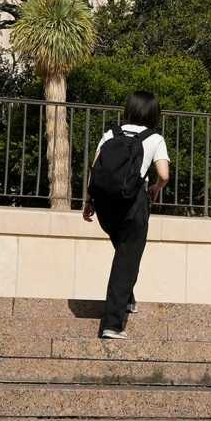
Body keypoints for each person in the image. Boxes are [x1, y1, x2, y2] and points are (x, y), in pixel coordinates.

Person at [82, 90, 171, 340]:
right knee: (127, 260)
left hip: (106, 206)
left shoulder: (110, 133)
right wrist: (157, 187)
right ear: (153, 113)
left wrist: (89, 200)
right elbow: (164, 174)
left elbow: (95, 168)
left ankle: (127, 299)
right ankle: (112, 324)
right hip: (133, 205)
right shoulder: (154, 138)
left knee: (124, 255)